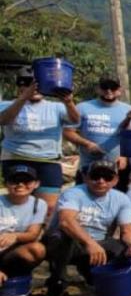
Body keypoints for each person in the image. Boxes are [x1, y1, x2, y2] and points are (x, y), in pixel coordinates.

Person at [42, 159, 131, 296]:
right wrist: (89, 243)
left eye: (107, 177)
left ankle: (94, 274)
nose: (101, 181)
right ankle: (57, 282)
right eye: (95, 176)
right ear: (86, 177)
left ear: (116, 180)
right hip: (69, 243)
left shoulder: (122, 199)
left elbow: (127, 229)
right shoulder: (73, 193)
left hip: (98, 243)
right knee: (61, 236)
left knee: (122, 247)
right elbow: (65, 221)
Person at [0, 66, 81, 214]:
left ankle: (42, 236)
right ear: (20, 86)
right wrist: (23, 98)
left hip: (48, 161)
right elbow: (4, 120)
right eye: (28, 84)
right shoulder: (6, 105)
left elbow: (75, 120)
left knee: (49, 208)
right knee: (18, 205)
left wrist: (69, 102)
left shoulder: (56, 107)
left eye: (39, 85)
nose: (34, 89)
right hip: (16, 157)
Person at [64, 76, 131, 181]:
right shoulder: (82, 107)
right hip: (88, 166)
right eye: (105, 87)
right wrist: (87, 144)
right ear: (98, 89)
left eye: (113, 87)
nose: (109, 91)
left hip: (117, 167)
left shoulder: (130, 110)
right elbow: (68, 131)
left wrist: (124, 156)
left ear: (120, 90)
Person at [0, 163, 48, 282]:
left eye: (26, 181)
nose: (20, 184)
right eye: (14, 180)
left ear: (36, 184)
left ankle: (15, 279)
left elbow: (33, 234)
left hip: (11, 252)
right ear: (6, 184)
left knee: (37, 249)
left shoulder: (39, 204)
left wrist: (14, 236)